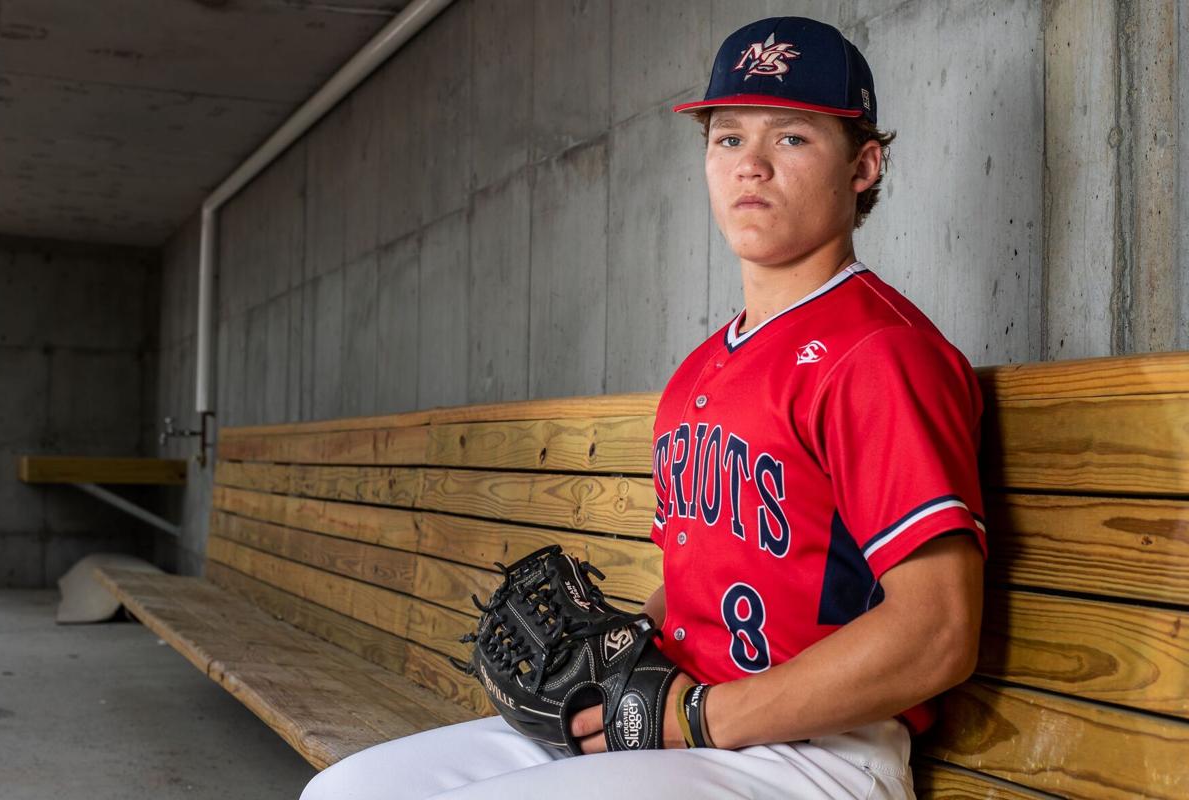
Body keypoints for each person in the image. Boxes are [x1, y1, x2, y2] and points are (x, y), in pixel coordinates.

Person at [300, 16, 985, 800]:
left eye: (791, 138)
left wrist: (694, 719)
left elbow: (937, 633)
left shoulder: (879, 353)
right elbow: (698, 579)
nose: (750, 166)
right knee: (344, 792)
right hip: (679, 720)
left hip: (810, 754)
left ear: (863, 166)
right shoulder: (701, 366)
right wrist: (614, 663)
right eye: (727, 139)